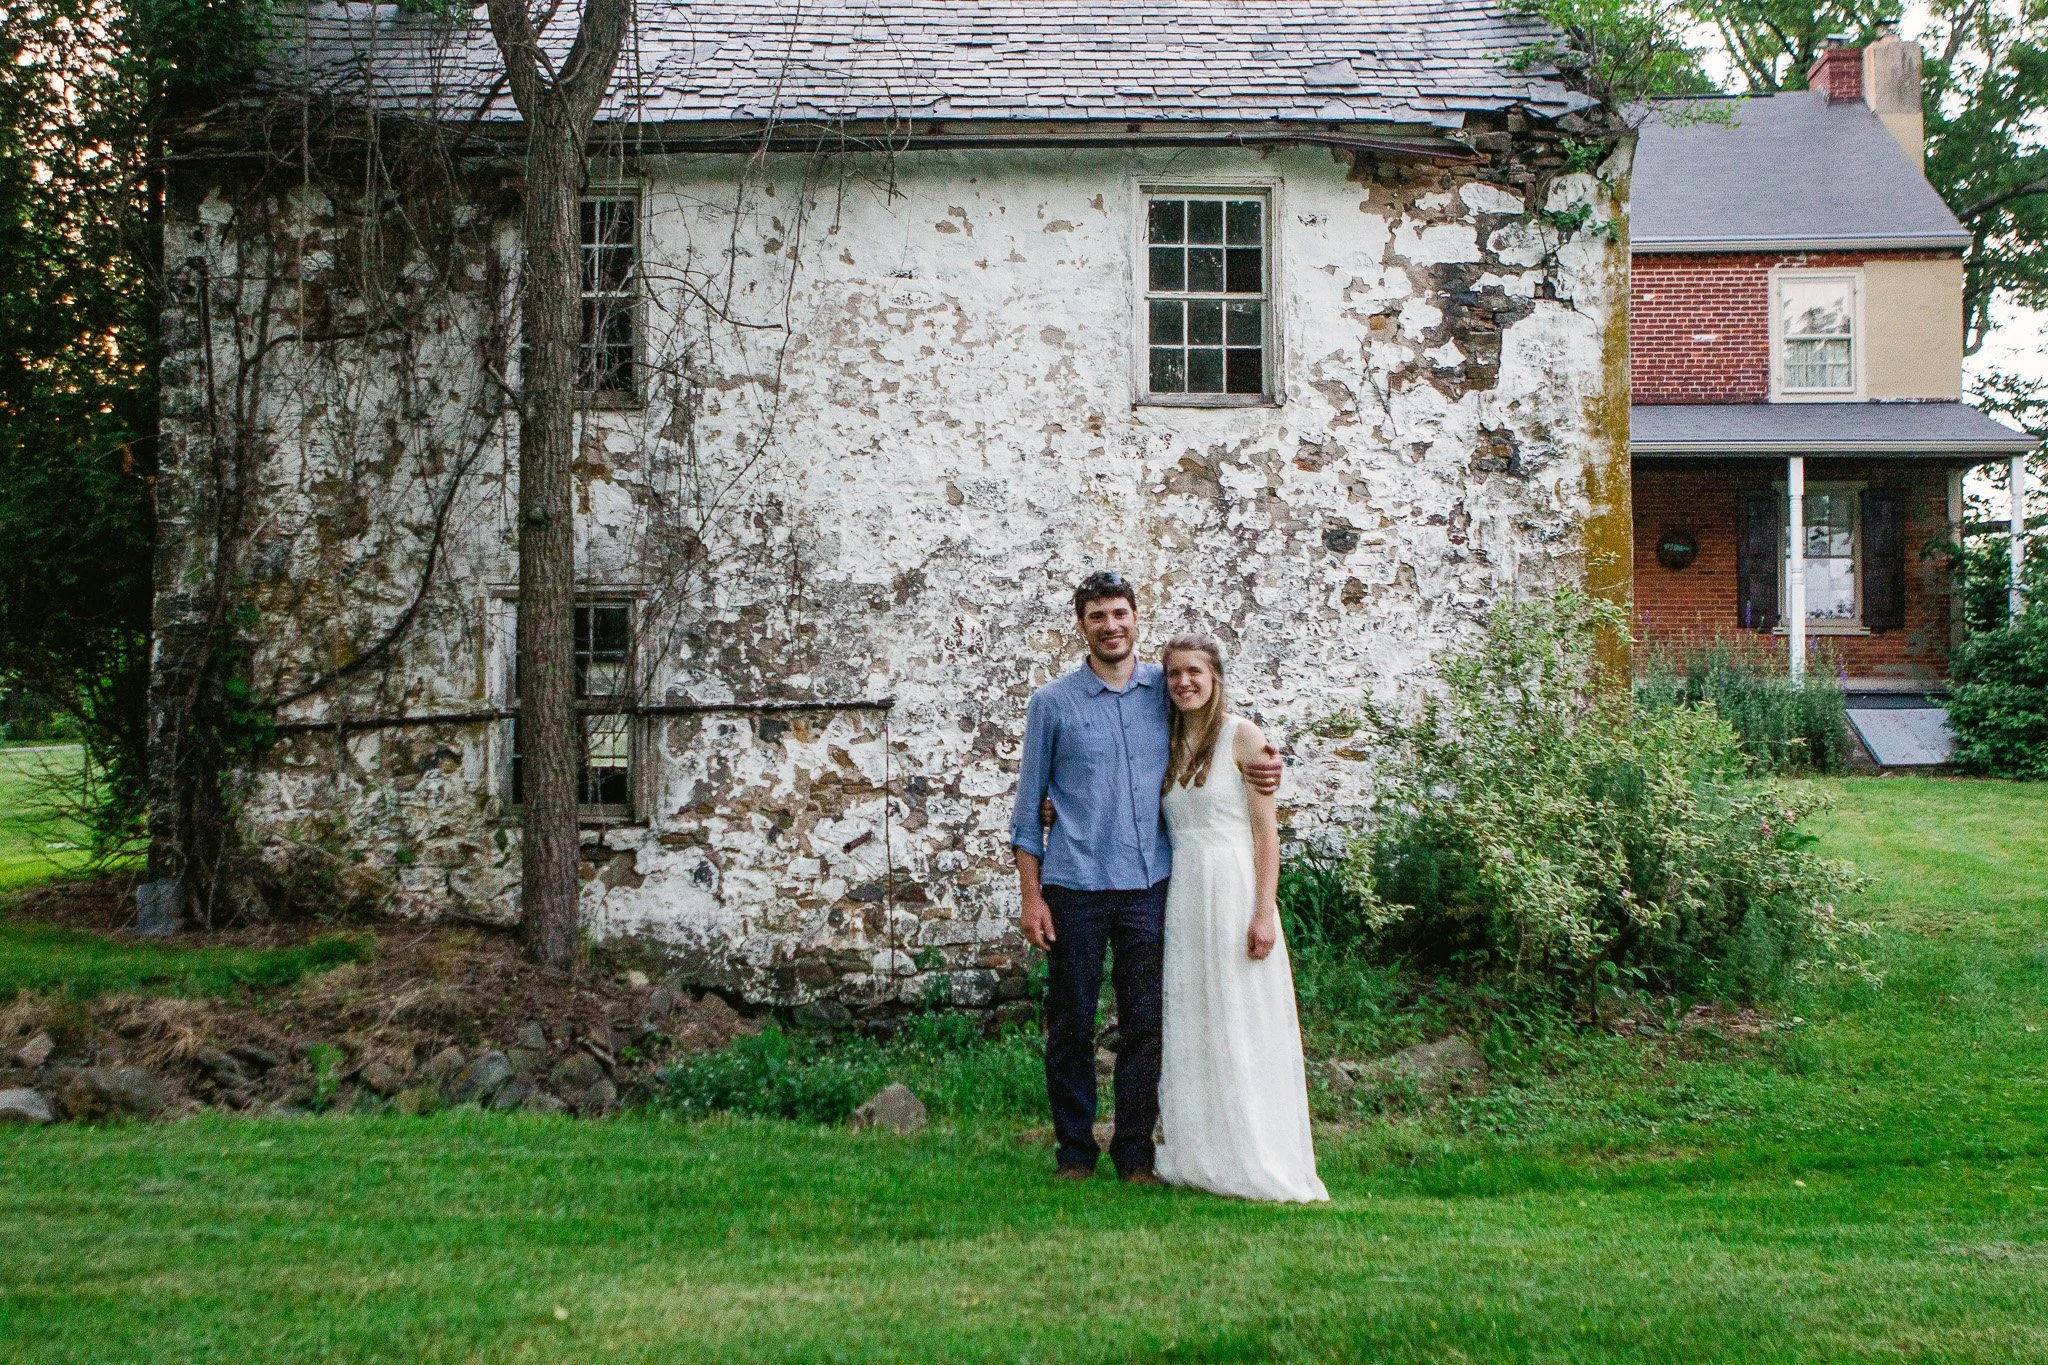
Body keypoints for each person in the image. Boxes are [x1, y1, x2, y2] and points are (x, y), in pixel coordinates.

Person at [1011, 572, 1282, 1182]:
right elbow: (1029, 806)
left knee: (1145, 1026)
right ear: (1081, 625)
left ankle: (1134, 1152)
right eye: (1097, 616)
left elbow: (1219, 726)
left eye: (1120, 614)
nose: (1111, 626)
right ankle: (1075, 1153)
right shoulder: (1051, 704)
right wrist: (1032, 895)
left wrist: (1268, 764)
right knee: (1072, 1025)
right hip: (1074, 884)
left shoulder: (1165, 689)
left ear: (1137, 618)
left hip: (1152, 886)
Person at [1153, 633, 1327, 1202]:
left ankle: (1258, 1153)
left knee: (1241, 1019)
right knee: (1195, 1018)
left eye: (1194, 672)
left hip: (1233, 890)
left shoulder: (1243, 736)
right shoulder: (1171, 740)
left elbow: (1264, 832)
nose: (1184, 683)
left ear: (1215, 677)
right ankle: (1202, 1153)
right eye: (1175, 673)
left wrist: (1263, 912)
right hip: (1186, 896)